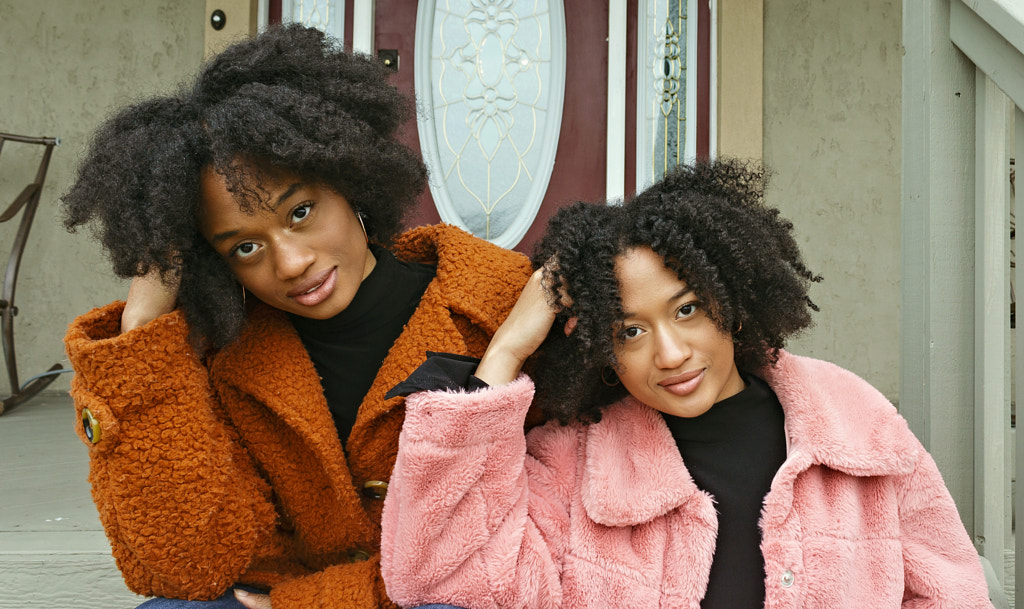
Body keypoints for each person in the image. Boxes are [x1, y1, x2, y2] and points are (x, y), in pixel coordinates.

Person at [379, 159, 994, 609]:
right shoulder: (575, 462)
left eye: (687, 310)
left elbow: (951, 592)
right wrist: (510, 345)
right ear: (599, 349)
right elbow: (439, 579)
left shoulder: (855, 428)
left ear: (731, 295)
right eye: (629, 331)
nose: (670, 354)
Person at [61, 24, 531, 609]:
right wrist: (140, 331)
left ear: (350, 176)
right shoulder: (224, 357)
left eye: (301, 211)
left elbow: (519, 548)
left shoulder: (497, 305)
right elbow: (188, 569)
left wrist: (309, 603)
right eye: (244, 248)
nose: (291, 262)